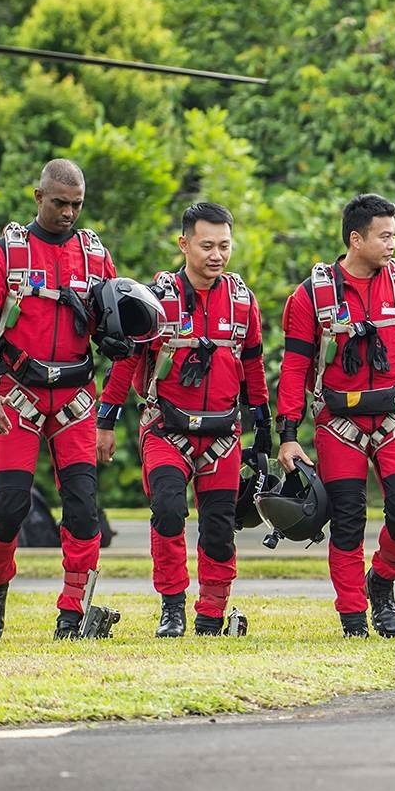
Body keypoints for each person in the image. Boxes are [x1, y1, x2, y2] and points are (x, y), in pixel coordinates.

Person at [275, 193, 395, 637]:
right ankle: (354, 618)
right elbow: (295, 366)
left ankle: (383, 582)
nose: (394, 243)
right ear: (356, 240)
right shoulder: (310, 296)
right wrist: (288, 433)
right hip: (339, 424)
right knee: (348, 520)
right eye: (385, 235)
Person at [95, 203, 269, 637]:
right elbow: (125, 363)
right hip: (166, 430)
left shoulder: (244, 301)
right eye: (207, 245)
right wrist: (105, 421)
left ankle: (211, 614)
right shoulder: (156, 298)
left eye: (224, 246)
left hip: (223, 435)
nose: (217, 255)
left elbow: (254, 366)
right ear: (184, 243)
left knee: (218, 528)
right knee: (168, 512)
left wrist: (266, 429)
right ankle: (172, 608)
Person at [0, 159, 121, 640]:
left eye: (77, 205)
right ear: (38, 197)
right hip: (16, 395)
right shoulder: (4, 254)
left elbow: (116, 325)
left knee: (82, 508)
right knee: (10, 504)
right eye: (59, 203)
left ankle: (72, 611)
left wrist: (122, 338)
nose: (69, 213)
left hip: (76, 398)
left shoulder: (96, 257)